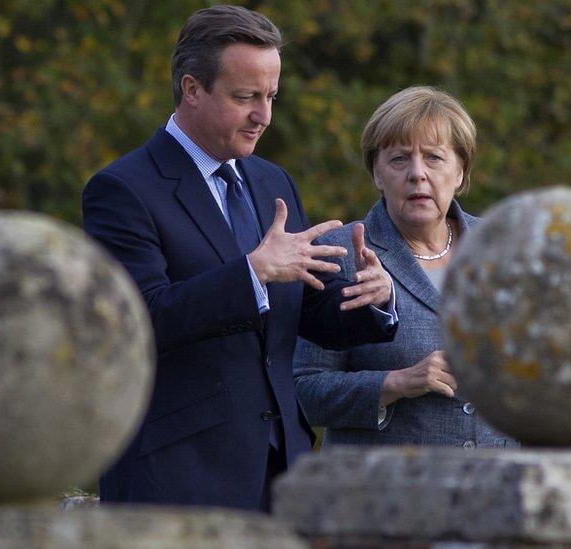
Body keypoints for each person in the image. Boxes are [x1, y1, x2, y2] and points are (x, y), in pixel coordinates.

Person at [81, 5, 397, 512]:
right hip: (176, 476)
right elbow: (135, 320)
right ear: (192, 90)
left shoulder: (273, 181)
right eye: (245, 97)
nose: (264, 116)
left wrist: (372, 299)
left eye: (271, 96)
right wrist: (252, 273)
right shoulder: (121, 190)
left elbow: (302, 311)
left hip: (281, 471)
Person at [294, 86, 518, 448]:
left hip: (495, 489)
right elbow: (303, 390)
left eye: (434, 158)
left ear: (460, 172)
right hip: (388, 495)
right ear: (377, 175)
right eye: (399, 159)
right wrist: (397, 383)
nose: (417, 174)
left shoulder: (504, 246)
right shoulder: (338, 253)